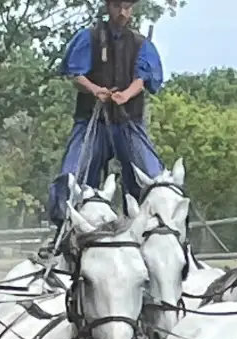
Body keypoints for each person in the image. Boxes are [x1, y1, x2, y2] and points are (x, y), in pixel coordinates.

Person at [46, 0, 165, 231]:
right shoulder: (88, 38)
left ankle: (157, 231)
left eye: (128, 7)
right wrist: (95, 90)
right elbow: (76, 74)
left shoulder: (141, 44)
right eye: (118, 7)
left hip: (128, 122)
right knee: (72, 174)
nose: (123, 13)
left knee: (152, 175)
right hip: (92, 120)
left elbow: (143, 79)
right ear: (108, 7)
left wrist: (126, 95)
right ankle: (64, 231)